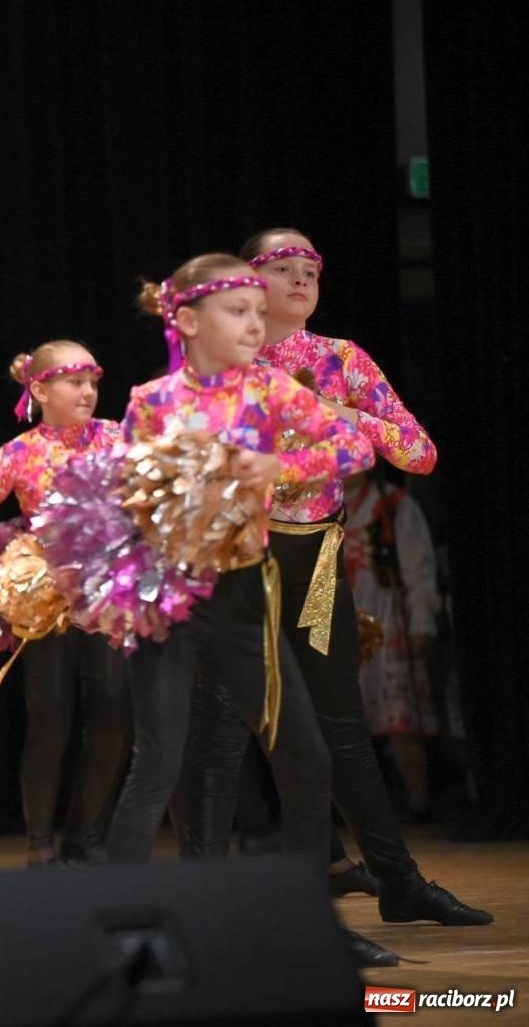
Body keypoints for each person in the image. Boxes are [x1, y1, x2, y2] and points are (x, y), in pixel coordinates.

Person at [98, 256, 393, 967]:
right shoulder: (150, 401)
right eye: (238, 311)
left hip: (242, 598)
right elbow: (123, 505)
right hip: (170, 597)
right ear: (188, 322)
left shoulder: (268, 388)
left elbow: (357, 440)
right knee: (158, 763)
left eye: (260, 311)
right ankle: (114, 928)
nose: (256, 323)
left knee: (308, 757)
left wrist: (282, 468)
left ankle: (303, 925)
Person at [240, 228, 488, 926]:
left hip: (316, 559)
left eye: (309, 270)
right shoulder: (230, 361)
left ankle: (397, 878)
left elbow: (422, 452)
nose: (298, 280)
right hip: (236, 562)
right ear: (247, 282)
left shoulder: (340, 358)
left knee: (338, 725)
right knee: (234, 723)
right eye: (281, 267)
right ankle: (280, 879)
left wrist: (353, 417)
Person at [0, 342, 129, 867]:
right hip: (48, 602)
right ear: (40, 390)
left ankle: (85, 836)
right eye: (75, 382)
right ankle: (40, 843)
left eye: (93, 380)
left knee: (114, 712)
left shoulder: (117, 438)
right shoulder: (19, 453)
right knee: (49, 718)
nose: (88, 391)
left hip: (107, 597)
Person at [343, 465, 441, 817]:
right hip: (343, 623)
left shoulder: (394, 505)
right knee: (346, 722)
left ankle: (419, 801)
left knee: (399, 718)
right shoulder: (322, 510)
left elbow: (418, 567)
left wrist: (422, 619)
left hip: (387, 617)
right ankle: (362, 808)